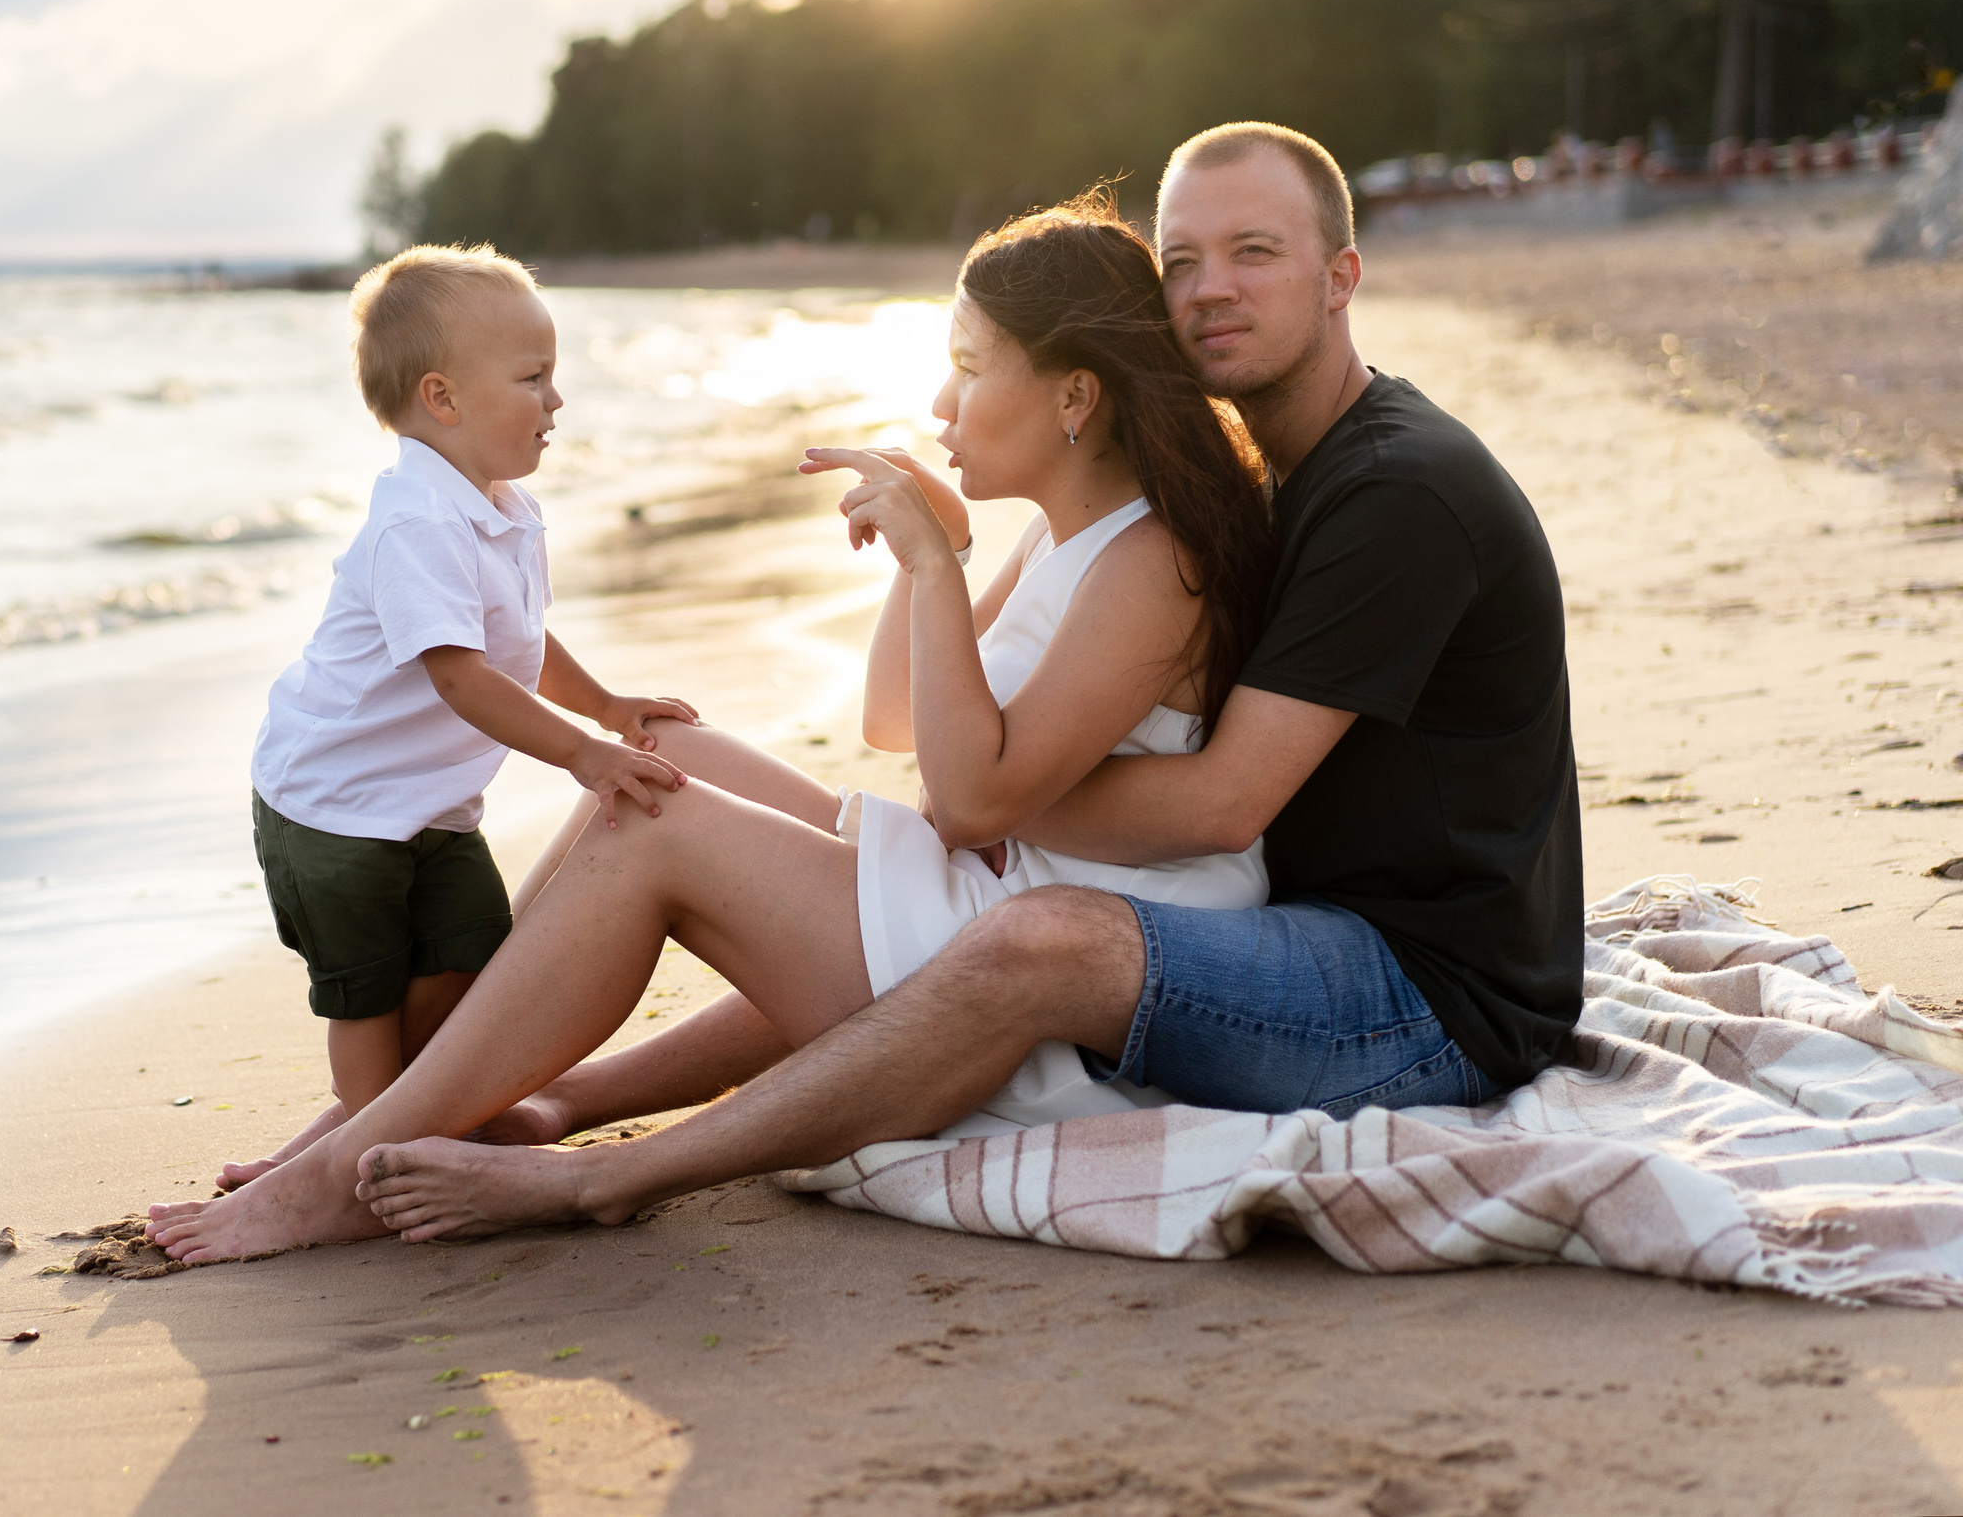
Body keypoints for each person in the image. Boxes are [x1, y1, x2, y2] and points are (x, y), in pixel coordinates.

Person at [327, 122, 1584, 1244]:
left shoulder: (1389, 494)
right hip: (1262, 919)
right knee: (691, 774)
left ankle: (569, 1173)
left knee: (1003, 924)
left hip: (1414, 992)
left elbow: (1219, 807)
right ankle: (524, 1100)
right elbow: (924, 735)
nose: (1205, 293)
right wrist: (951, 689)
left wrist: (972, 800)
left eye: (1253, 253)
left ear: (1339, 277)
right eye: (1181, 260)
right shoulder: (1248, 476)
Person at [147, 187, 1283, 1262]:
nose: (939, 404)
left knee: (656, 823)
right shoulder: (1064, 535)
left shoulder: (1152, 560)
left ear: (1075, 399)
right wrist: (927, 559)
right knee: (660, 757)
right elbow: (898, 721)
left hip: (1042, 993)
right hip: (993, 896)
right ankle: (417, 1110)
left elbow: (969, 794)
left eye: (969, 370)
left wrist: (938, 569)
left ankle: (354, 1163)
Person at [220, 242, 699, 1187]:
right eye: (533, 377)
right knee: (366, 998)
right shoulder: (419, 523)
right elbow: (463, 678)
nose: (556, 400)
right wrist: (585, 752)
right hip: (335, 809)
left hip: (429, 809)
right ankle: (357, 1163)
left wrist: (602, 701)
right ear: (443, 399)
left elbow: (520, 636)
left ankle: (380, 1125)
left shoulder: (501, 507)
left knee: (466, 963)